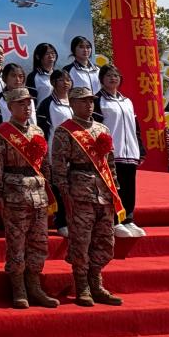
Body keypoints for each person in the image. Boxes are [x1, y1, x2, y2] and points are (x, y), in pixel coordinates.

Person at [0, 87, 59, 310]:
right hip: (14, 194)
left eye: (28, 103)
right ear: (10, 107)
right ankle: (18, 287)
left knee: (39, 242)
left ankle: (34, 285)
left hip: (38, 195)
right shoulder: (1, 134)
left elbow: (44, 164)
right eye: (21, 103)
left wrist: (48, 187)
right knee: (16, 243)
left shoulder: (37, 131)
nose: (26, 107)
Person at [51, 86, 124, 307]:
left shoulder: (102, 128)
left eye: (91, 101)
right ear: (72, 104)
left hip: (104, 191)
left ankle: (96, 282)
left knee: (105, 241)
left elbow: (109, 162)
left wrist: (114, 188)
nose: (89, 105)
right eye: (83, 101)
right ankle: (82, 285)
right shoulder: (65, 131)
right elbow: (59, 166)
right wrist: (65, 193)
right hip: (80, 191)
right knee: (81, 241)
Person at [94, 65, 146, 238]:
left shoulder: (127, 101)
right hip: (111, 152)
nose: (113, 78)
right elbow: (95, 127)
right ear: (101, 79)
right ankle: (115, 221)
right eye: (108, 75)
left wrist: (140, 148)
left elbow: (135, 127)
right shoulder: (97, 100)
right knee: (114, 188)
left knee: (129, 186)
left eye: (116, 75)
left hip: (130, 151)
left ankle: (128, 218)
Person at [36, 69, 74, 236]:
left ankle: (74, 220)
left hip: (75, 152)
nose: (65, 83)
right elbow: (43, 130)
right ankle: (61, 222)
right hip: (55, 152)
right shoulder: (47, 104)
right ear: (53, 82)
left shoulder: (74, 101)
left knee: (73, 187)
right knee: (59, 188)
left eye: (68, 80)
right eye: (61, 80)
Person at [0, 63, 35, 128]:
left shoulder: (29, 98)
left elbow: (33, 121)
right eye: (13, 76)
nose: (18, 79)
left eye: (21, 76)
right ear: (5, 77)